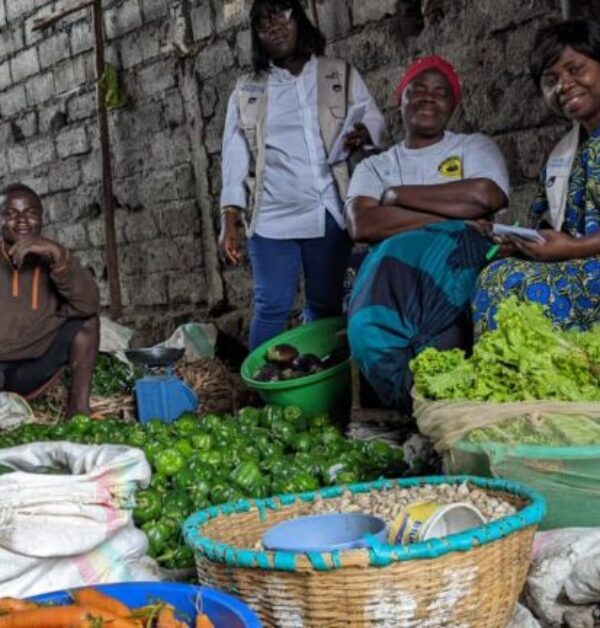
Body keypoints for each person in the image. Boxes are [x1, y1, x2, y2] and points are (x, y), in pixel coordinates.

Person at [218, 0, 386, 349]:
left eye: (282, 17)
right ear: (256, 36)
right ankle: (264, 390)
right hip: (272, 215)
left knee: (324, 305)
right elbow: (234, 156)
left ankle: (319, 381)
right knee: (271, 305)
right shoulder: (247, 90)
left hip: (327, 209)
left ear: (300, 22)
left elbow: (372, 116)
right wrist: (229, 219)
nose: (275, 29)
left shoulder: (337, 73)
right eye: (264, 25)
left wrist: (365, 133)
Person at [345, 55, 509, 413]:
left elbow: (485, 195)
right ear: (398, 98)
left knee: (444, 343)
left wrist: (396, 197)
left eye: (440, 92)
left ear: (453, 105)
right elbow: (363, 224)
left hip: (452, 272)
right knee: (372, 332)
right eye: (417, 89)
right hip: (391, 282)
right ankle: (418, 411)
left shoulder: (473, 146)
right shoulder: (376, 165)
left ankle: (440, 415)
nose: (428, 97)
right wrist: (451, 214)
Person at [473, 19, 600, 335]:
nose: (564, 84)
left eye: (575, 69)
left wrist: (572, 248)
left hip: (586, 267)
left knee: (506, 283)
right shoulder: (562, 154)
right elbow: (548, 226)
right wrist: (520, 243)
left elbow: (569, 245)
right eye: (550, 80)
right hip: (580, 268)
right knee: (494, 273)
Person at [0, 183, 100, 416]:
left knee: (88, 322)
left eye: (31, 213)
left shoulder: (53, 257)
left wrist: (59, 255)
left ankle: (78, 409)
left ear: (42, 219)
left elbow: (88, 305)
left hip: (35, 367)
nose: (22, 220)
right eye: (10, 213)